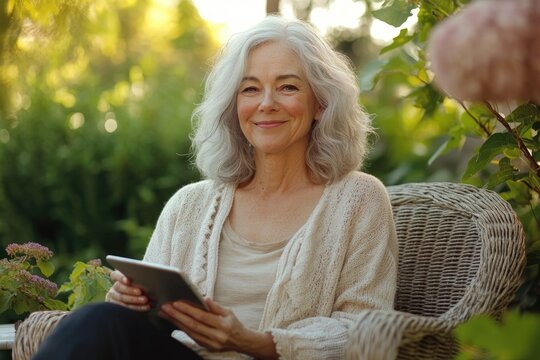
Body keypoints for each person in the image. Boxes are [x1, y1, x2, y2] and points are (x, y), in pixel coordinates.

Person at [32, 15, 398, 360]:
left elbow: (363, 329)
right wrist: (129, 301)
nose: (266, 104)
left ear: (320, 103)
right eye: (250, 89)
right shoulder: (189, 204)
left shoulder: (359, 199)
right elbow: (146, 325)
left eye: (287, 87)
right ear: (234, 105)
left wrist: (253, 342)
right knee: (100, 320)